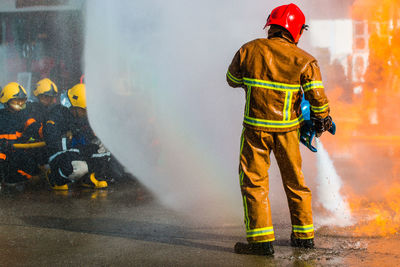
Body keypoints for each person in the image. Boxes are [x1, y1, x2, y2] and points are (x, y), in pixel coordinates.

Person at [226, 3, 333, 256]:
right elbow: (317, 99)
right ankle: (303, 238)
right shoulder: (305, 61)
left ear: (271, 27)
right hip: (287, 132)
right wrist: (323, 119)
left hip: (254, 130)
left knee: (254, 183)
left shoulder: (248, 49)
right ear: (296, 30)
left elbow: (231, 80)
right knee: (296, 183)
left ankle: (261, 243)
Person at [43, 83, 111, 190]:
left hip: (79, 151)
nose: (86, 113)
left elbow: (89, 136)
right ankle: (55, 177)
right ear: (74, 107)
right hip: (61, 154)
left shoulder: (83, 116)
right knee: (77, 168)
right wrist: (71, 138)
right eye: (83, 110)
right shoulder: (57, 116)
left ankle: (90, 178)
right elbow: (53, 142)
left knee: (102, 144)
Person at [0, 82, 42, 185]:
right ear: (7, 100)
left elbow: (35, 128)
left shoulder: (23, 116)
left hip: (16, 153)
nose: (20, 103)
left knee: (31, 166)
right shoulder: (1, 116)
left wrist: (49, 131)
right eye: (17, 100)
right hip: (3, 154)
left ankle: (11, 181)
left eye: (22, 100)